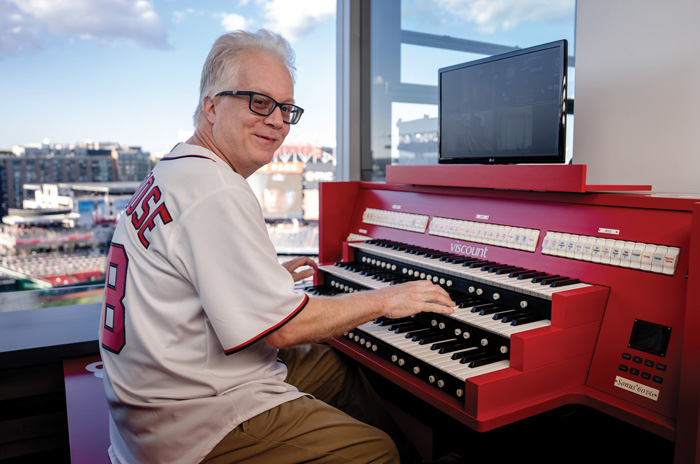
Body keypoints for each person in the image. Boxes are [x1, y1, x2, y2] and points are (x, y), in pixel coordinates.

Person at [99, 29, 456, 464]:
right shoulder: (215, 189)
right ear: (211, 106)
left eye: (286, 109)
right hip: (190, 420)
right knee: (375, 453)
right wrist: (386, 298)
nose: (277, 121)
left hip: (151, 401)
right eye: (260, 102)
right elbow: (284, 330)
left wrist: (254, 281)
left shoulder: (175, 169)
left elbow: (180, 276)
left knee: (335, 368)